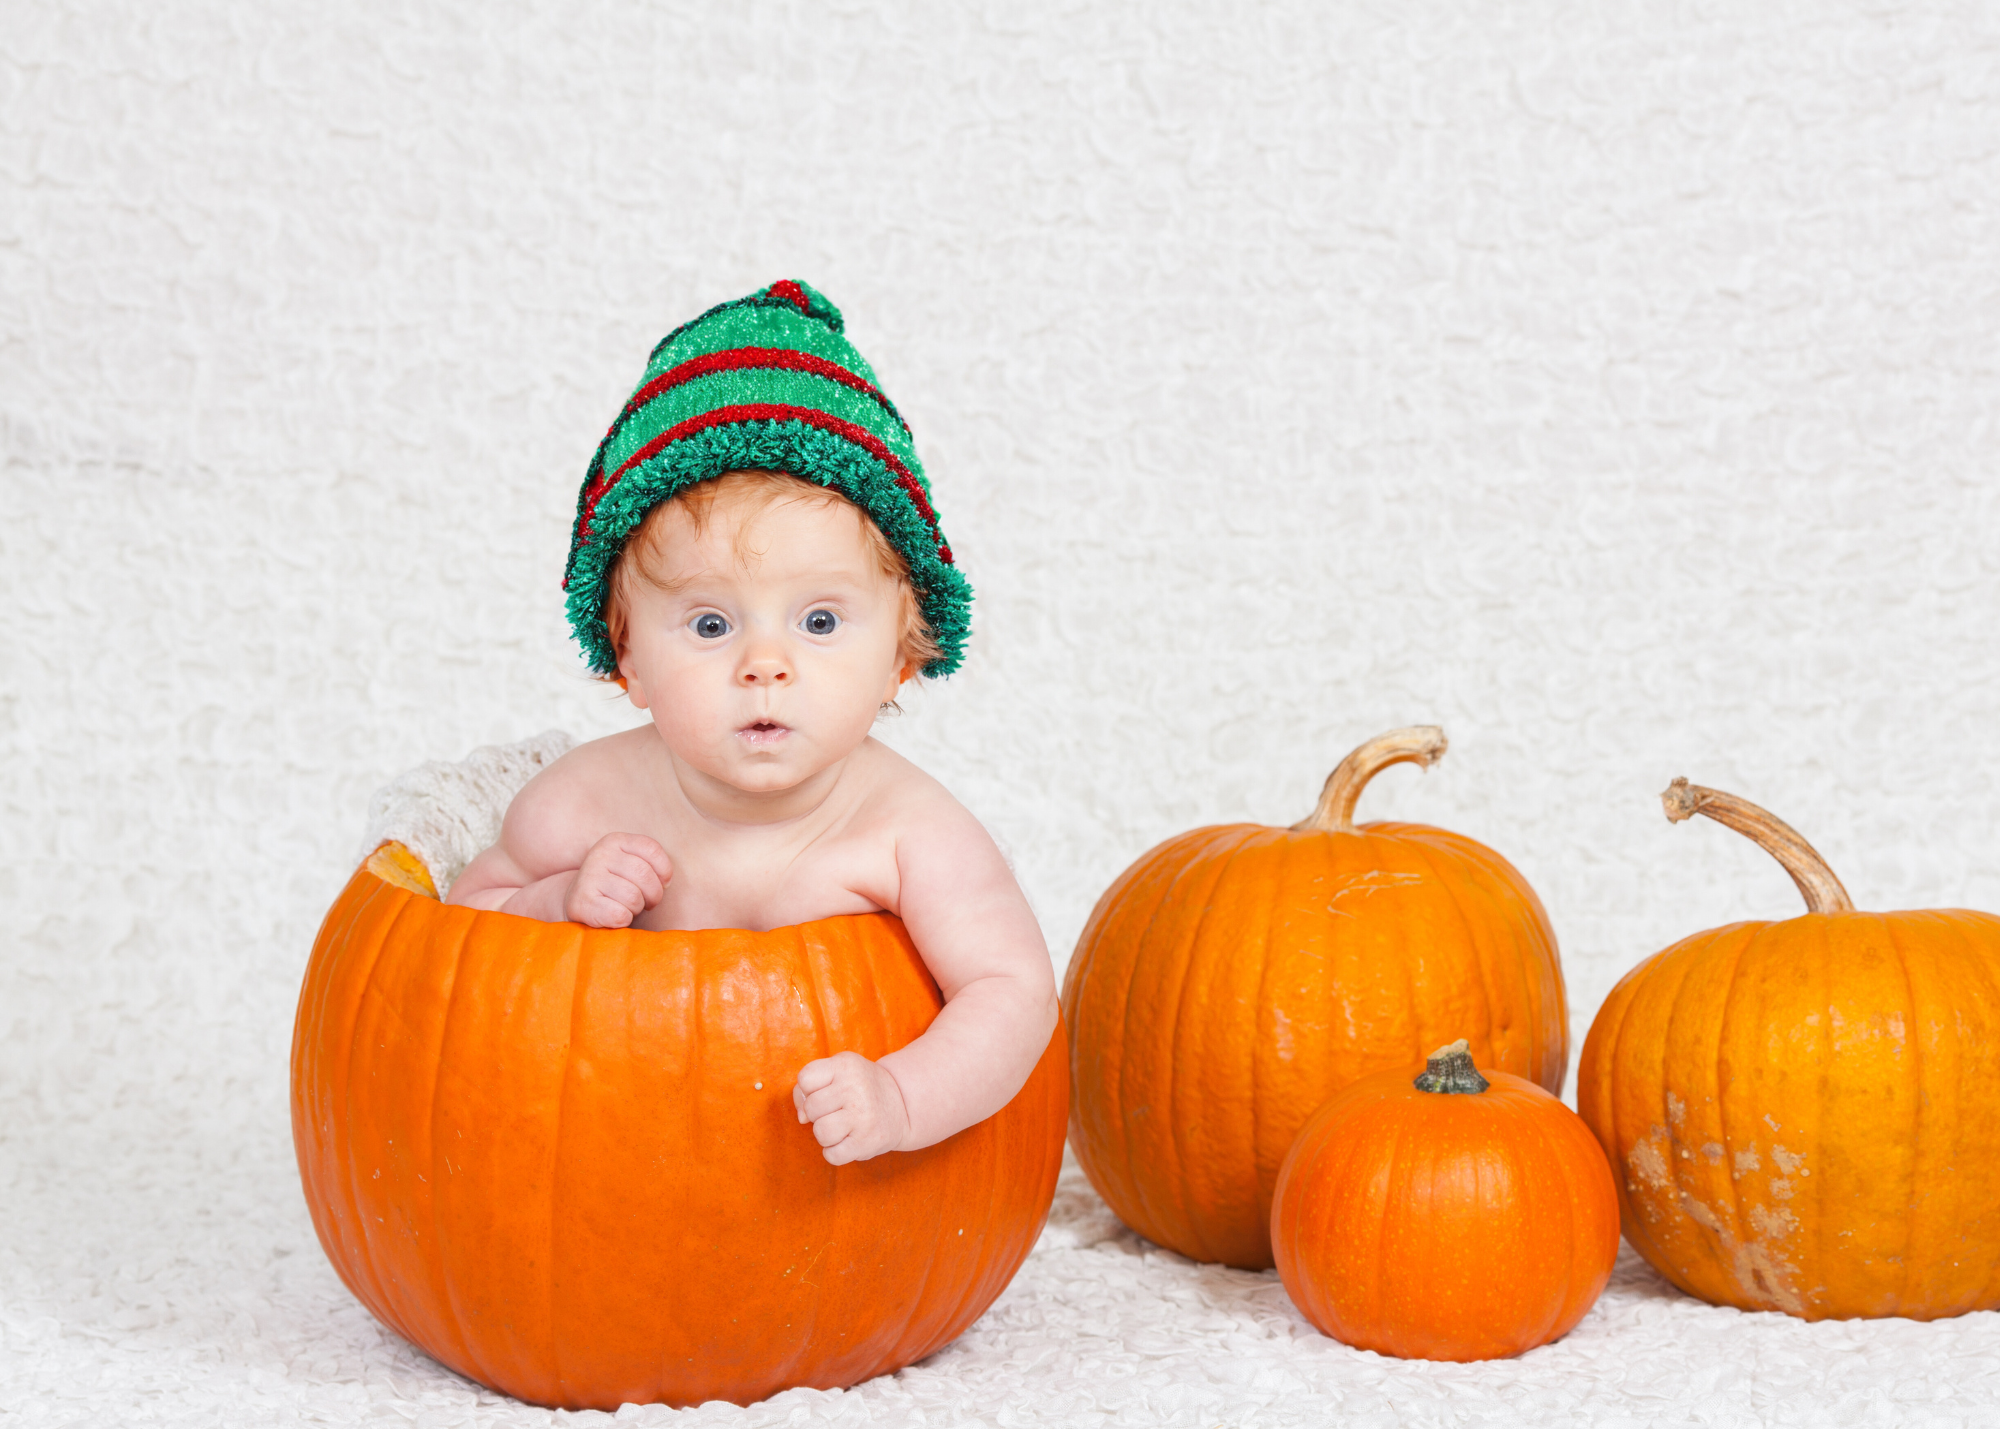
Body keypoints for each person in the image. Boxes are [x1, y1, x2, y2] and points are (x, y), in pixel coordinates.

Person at [448, 280, 1059, 1169]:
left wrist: (902, 1095)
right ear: (627, 659)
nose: (763, 664)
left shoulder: (913, 834)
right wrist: (554, 900)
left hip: (838, 1221)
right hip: (612, 1171)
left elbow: (1015, 991)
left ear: (901, 650)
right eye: (709, 625)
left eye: (819, 622)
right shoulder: (583, 803)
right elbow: (450, 950)